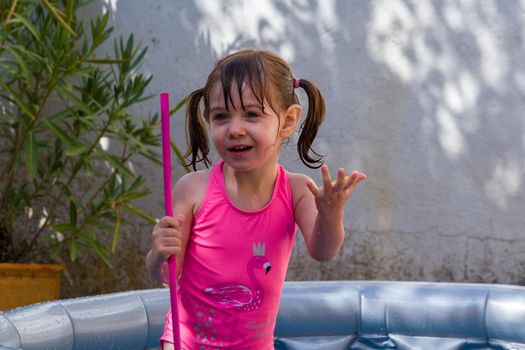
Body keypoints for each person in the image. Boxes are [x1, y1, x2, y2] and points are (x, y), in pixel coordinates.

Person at [146, 49, 366, 350]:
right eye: (221, 116)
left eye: (251, 114)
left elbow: (324, 252)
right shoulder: (193, 189)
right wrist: (160, 253)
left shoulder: (297, 190)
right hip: (186, 343)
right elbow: (166, 275)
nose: (235, 129)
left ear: (288, 121)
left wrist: (331, 214)